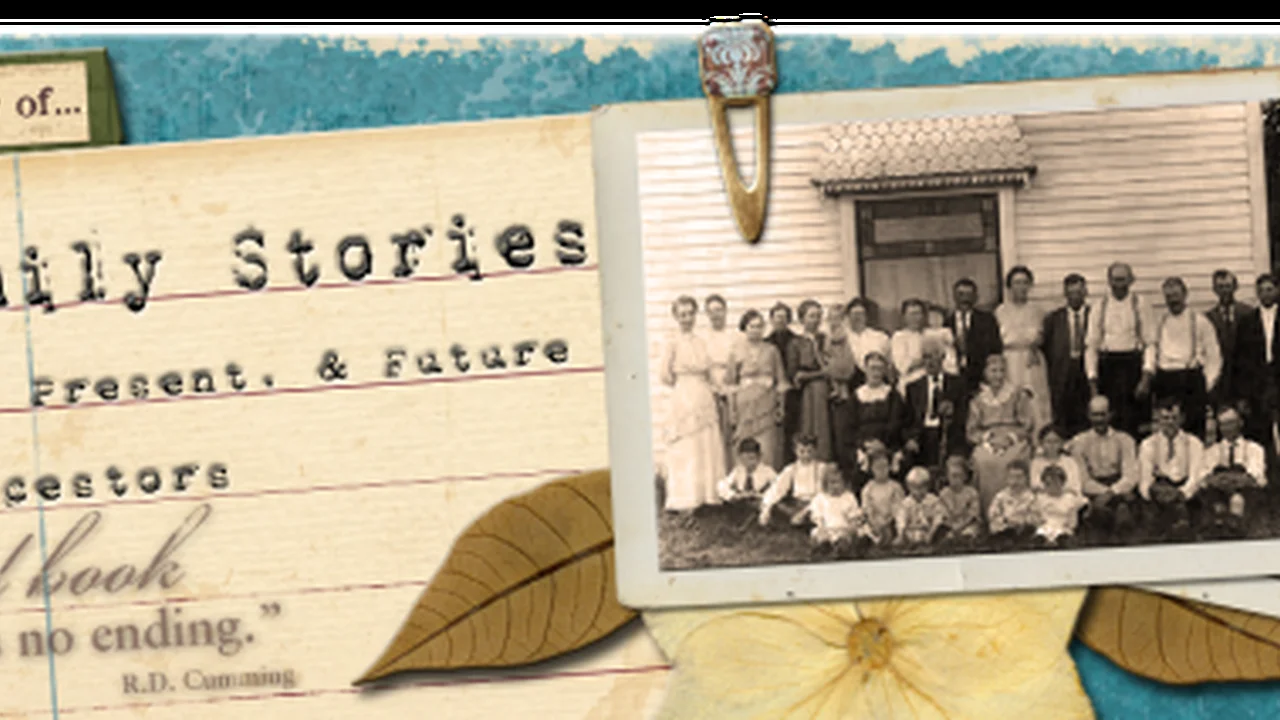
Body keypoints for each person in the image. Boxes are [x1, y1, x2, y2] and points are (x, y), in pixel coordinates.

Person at [659, 296, 727, 516]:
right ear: (676, 317)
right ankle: (686, 497)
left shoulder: (701, 341)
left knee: (705, 442)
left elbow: (708, 371)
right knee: (686, 446)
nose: (687, 319)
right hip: (683, 393)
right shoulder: (671, 342)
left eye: (690, 314)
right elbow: (664, 375)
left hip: (702, 393)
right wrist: (683, 386)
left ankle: (707, 494)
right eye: (683, 314)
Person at [1141, 277, 1221, 440]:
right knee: (1168, 430)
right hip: (1166, 379)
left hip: (1191, 378)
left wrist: (1207, 383)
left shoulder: (1200, 321)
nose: (1173, 301)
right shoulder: (1160, 322)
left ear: (1185, 295)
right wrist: (1149, 373)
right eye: (1169, 297)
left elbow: (1214, 356)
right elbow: (1151, 349)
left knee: (1194, 430)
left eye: (1176, 295)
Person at [1086, 262, 1156, 439]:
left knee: (1137, 423)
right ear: (1109, 281)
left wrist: (1146, 378)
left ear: (1131, 280)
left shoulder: (1140, 304)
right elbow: (1091, 347)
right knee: (1111, 421)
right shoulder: (1099, 306)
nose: (1119, 284)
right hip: (1108, 368)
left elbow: (1150, 343)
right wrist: (1093, 382)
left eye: (1123, 279)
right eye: (1115, 280)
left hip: (1133, 367)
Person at [966, 354, 1036, 516]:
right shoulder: (978, 400)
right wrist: (987, 439)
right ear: (985, 373)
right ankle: (988, 514)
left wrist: (1009, 438)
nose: (998, 375)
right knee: (983, 460)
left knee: (1011, 460)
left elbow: (1027, 424)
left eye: (1001, 371)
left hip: (1014, 438)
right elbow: (971, 430)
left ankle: (1016, 514)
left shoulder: (1017, 394)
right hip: (988, 439)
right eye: (993, 371)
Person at [1067, 395, 1140, 538]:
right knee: (1102, 515)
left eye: (1103, 414)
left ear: (1110, 415)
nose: (1099, 419)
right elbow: (1083, 479)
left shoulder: (1125, 440)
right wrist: (1105, 493)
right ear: (1088, 415)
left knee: (1124, 511)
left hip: (1120, 489)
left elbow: (1130, 476)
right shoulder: (1079, 442)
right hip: (1093, 490)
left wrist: (1111, 493)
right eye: (1095, 415)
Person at [725, 310, 789, 470]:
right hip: (744, 404)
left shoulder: (772, 350)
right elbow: (731, 384)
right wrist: (732, 411)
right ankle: (745, 484)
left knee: (767, 446)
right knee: (744, 444)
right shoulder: (736, 350)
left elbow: (780, 380)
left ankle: (767, 484)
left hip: (767, 402)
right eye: (752, 326)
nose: (756, 330)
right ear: (744, 328)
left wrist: (781, 406)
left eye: (760, 326)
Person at [1191, 406, 1268, 537]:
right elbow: (1202, 478)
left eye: (1231, 422)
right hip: (1216, 496)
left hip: (1246, 497)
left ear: (1240, 423)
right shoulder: (1211, 452)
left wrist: (1226, 480)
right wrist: (1221, 480)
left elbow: (1256, 477)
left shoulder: (1254, 449)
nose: (1228, 428)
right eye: (1223, 424)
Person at [995, 265, 1053, 433]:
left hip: (1032, 360)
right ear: (1009, 286)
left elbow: (1044, 337)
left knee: (1035, 399)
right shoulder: (1000, 311)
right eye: (1016, 282)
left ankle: (1039, 437)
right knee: (1012, 397)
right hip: (1009, 360)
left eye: (1024, 282)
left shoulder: (1038, 311)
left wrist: (1037, 343)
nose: (1021, 287)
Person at [1137, 397, 1205, 538]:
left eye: (1174, 417)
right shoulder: (1148, 444)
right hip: (1159, 493)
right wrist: (1154, 494)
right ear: (1158, 419)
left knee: (1184, 526)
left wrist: (1180, 494)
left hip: (1184, 493)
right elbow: (1145, 479)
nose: (1170, 422)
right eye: (1165, 418)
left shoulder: (1193, 443)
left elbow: (1195, 477)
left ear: (1182, 419)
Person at [903, 340, 969, 470]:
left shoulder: (957, 384)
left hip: (948, 433)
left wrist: (952, 413)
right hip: (921, 435)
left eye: (933, 356)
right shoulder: (913, 387)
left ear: (943, 357)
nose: (929, 361)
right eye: (926, 357)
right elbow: (907, 419)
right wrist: (910, 438)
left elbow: (963, 415)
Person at [1042, 273, 1092, 438]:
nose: (1075, 297)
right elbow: (1046, 348)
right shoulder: (1054, 318)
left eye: (1078, 292)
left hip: (1088, 370)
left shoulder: (1095, 315)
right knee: (1063, 414)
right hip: (1063, 372)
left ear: (1085, 292)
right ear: (1065, 294)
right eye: (1070, 293)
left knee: (1088, 412)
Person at [846, 352, 906, 487]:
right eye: (872, 368)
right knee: (859, 467)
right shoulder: (856, 396)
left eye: (879, 368)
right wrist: (865, 444)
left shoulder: (892, 395)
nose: (876, 373)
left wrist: (882, 443)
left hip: (888, 443)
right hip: (863, 445)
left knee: (896, 463)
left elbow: (896, 422)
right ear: (865, 370)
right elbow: (850, 427)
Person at [1235, 274, 1280, 449]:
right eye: (1261, 291)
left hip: (1278, 377)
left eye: (1269, 290)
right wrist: (1242, 395)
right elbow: (1239, 359)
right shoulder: (1247, 321)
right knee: (1259, 433)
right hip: (1257, 383)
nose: (1266, 294)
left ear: (1277, 291)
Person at [787, 300, 833, 462]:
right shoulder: (796, 343)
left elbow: (834, 365)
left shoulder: (826, 339)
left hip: (828, 391)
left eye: (819, 316)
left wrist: (825, 372)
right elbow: (795, 375)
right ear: (802, 319)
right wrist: (820, 373)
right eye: (811, 316)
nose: (816, 320)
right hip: (807, 394)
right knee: (809, 428)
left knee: (827, 429)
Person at [1206, 269, 1255, 412]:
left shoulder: (1249, 313)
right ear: (1214, 289)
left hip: (1244, 379)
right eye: (1220, 287)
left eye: (1227, 286)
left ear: (1235, 287)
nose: (1224, 291)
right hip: (1220, 382)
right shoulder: (1209, 318)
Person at [947, 278, 1004, 397]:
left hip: (980, 379)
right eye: (960, 294)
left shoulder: (987, 320)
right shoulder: (946, 323)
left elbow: (995, 349)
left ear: (975, 297)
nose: (965, 299)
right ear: (954, 296)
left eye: (969, 294)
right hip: (955, 380)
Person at [791, 464, 868, 552]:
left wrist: (850, 527)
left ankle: (842, 545)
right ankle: (824, 545)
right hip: (826, 528)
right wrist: (802, 516)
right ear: (825, 484)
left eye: (838, 482)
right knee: (817, 533)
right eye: (831, 483)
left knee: (853, 533)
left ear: (844, 483)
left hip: (843, 528)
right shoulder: (821, 498)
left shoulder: (848, 497)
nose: (835, 486)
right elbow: (814, 513)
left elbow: (854, 516)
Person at [825, 305, 862, 477]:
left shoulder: (847, 339)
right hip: (829, 393)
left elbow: (845, 368)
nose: (835, 322)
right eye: (831, 318)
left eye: (838, 318)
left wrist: (834, 369)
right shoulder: (825, 339)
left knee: (846, 435)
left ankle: (851, 474)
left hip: (850, 390)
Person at [702, 294, 738, 470]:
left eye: (718, 310)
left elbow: (738, 364)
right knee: (713, 435)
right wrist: (713, 386)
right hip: (710, 387)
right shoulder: (703, 338)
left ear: (725, 311)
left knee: (731, 433)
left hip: (731, 386)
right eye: (711, 311)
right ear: (707, 315)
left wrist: (728, 386)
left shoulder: (735, 336)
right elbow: (703, 366)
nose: (715, 314)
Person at [758, 434, 825, 526]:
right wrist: (766, 509)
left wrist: (804, 512)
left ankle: (808, 521)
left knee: (823, 509)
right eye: (802, 451)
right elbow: (777, 488)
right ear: (795, 451)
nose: (806, 455)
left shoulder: (821, 468)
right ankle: (798, 520)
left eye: (809, 451)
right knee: (777, 506)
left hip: (815, 504)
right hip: (796, 504)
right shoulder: (792, 469)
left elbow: (822, 495)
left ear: (815, 451)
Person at [766, 302, 801, 465]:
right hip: (770, 392)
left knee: (793, 431)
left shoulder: (797, 340)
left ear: (789, 320)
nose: (780, 320)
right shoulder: (766, 343)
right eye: (777, 317)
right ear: (771, 319)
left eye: (784, 317)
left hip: (794, 392)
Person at [1033, 464, 1090, 545]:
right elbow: (1036, 515)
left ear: (1062, 483)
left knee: (1064, 539)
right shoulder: (1040, 498)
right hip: (1045, 528)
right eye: (1048, 483)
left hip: (1064, 528)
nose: (1052, 486)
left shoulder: (1070, 497)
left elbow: (1086, 503)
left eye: (1056, 483)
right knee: (1038, 538)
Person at [860, 447, 905, 544]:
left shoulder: (895, 487)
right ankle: (874, 539)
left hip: (890, 520)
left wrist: (888, 520)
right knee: (863, 528)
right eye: (878, 467)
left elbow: (898, 507)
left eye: (885, 466)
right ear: (871, 469)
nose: (882, 470)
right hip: (874, 521)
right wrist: (873, 521)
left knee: (900, 519)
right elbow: (867, 508)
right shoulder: (868, 488)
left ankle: (897, 537)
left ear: (890, 467)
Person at [987, 460, 1039, 539]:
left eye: (1019, 477)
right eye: (1011, 477)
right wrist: (1005, 521)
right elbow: (992, 515)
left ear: (1026, 478)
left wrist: (1021, 522)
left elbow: (1035, 518)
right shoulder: (1000, 496)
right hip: (1004, 530)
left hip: (1024, 532)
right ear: (1006, 478)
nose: (1015, 481)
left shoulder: (1031, 498)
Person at [895, 466, 947, 545]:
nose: (919, 491)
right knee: (913, 536)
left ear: (928, 486)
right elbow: (901, 519)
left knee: (941, 532)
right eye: (915, 487)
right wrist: (902, 531)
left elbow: (938, 516)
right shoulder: (905, 503)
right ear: (909, 487)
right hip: (912, 530)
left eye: (922, 487)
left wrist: (932, 530)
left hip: (929, 530)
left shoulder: (933, 501)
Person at [717, 437, 779, 503]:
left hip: (761, 505)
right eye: (743, 460)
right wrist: (735, 496)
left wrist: (762, 496)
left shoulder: (767, 471)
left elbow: (779, 488)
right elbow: (722, 485)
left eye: (751, 458)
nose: (748, 463)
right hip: (742, 506)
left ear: (759, 456)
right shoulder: (738, 471)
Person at [845, 297, 892, 381]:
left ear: (866, 316)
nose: (857, 317)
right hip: (850, 381)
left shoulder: (880, 337)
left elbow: (889, 363)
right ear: (848, 316)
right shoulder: (842, 338)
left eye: (861, 314)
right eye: (854, 314)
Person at [1030, 425, 1085, 496]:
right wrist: (1049, 491)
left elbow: (1074, 483)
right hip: (1044, 496)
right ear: (1041, 443)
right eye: (1048, 441)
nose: (1052, 445)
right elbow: (1035, 484)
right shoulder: (1036, 462)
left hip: (1066, 495)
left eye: (1056, 441)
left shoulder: (1069, 461)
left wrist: (1061, 491)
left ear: (1061, 443)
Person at [891, 298, 931, 393]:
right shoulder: (899, 337)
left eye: (919, 313)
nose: (916, 318)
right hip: (910, 383)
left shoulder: (931, 334)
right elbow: (903, 366)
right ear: (904, 317)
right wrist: (927, 359)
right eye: (912, 314)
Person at [938, 455, 982, 539]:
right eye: (953, 476)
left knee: (969, 533)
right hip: (950, 525)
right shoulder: (944, 494)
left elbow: (973, 514)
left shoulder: (972, 493)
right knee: (948, 536)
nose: (956, 479)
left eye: (959, 476)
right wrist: (952, 526)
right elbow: (943, 514)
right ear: (947, 476)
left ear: (965, 476)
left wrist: (962, 526)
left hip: (968, 524)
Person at [924, 304, 960, 376]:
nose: (935, 320)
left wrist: (946, 341)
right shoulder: (926, 331)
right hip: (933, 355)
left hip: (946, 352)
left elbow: (951, 342)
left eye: (938, 318)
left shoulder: (946, 330)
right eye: (932, 318)